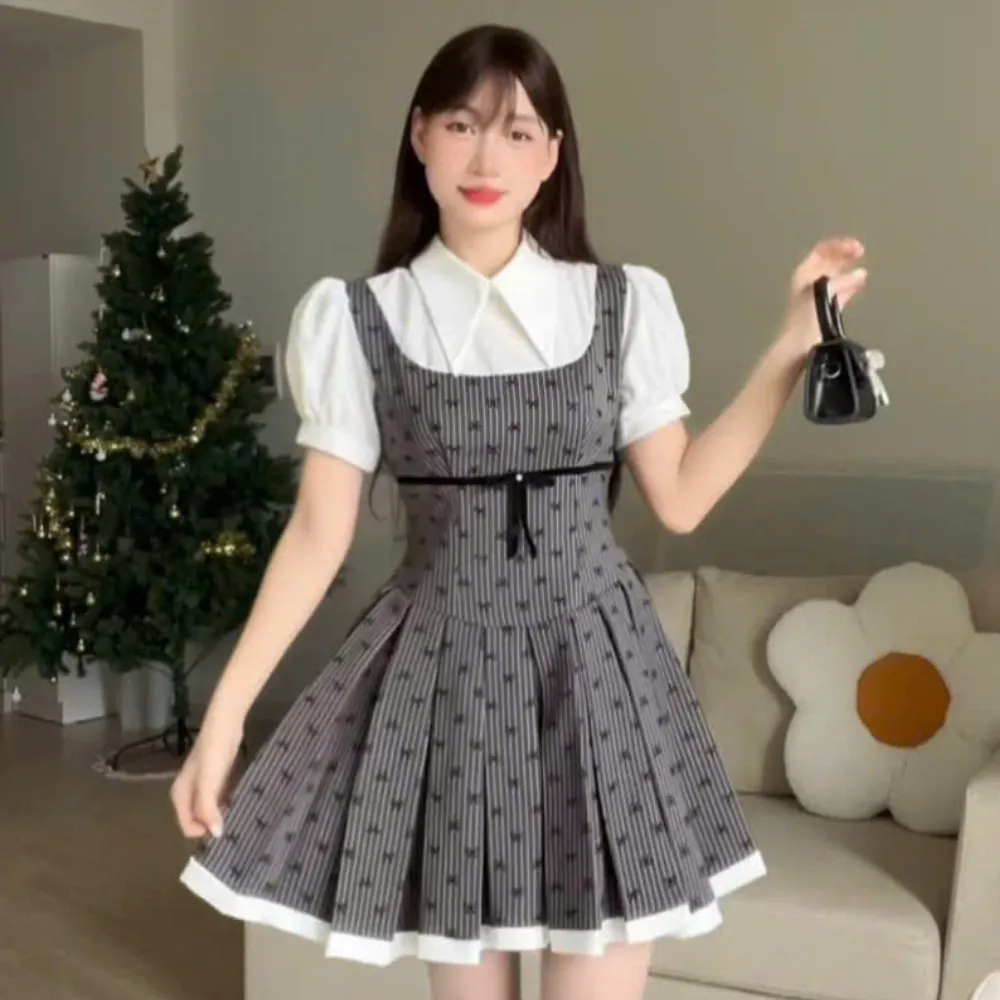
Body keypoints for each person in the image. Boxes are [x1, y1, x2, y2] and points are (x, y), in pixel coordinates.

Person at [170, 22, 868, 1000]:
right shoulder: (354, 320)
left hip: (602, 682)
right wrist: (224, 719)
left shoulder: (623, 304)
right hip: (444, 686)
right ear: (420, 135)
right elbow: (319, 536)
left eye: (517, 131)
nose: (486, 159)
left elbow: (682, 495)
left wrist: (790, 347)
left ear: (551, 156)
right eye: (463, 125)